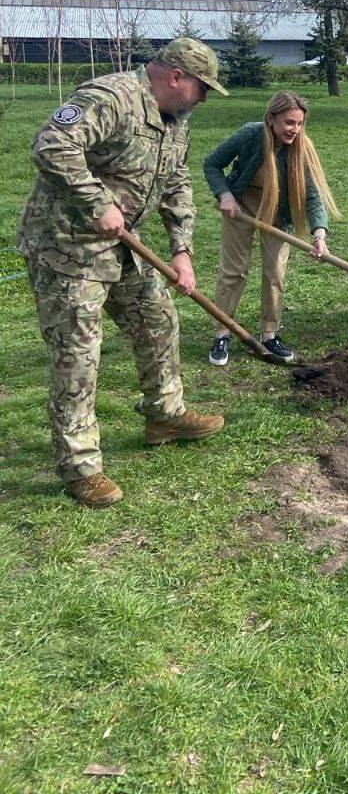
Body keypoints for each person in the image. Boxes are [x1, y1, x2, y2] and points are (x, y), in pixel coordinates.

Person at [16, 38, 228, 509]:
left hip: (122, 248)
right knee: (78, 356)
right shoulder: (112, 97)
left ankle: (164, 415)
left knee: (158, 320)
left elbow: (176, 183)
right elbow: (52, 144)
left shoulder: (175, 122)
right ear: (176, 77)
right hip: (67, 249)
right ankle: (80, 467)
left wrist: (182, 251)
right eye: (201, 88)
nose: (203, 98)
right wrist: (97, 201)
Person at [204, 91, 340, 365]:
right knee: (234, 271)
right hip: (242, 205)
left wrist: (319, 234)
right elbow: (212, 163)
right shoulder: (250, 135)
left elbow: (313, 195)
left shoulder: (301, 150)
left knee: (275, 273)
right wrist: (225, 195)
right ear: (271, 119)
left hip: (277, 211)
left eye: (300, 123)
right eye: (289, 122)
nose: (295, 129)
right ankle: (221, 333)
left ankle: (270, 334)